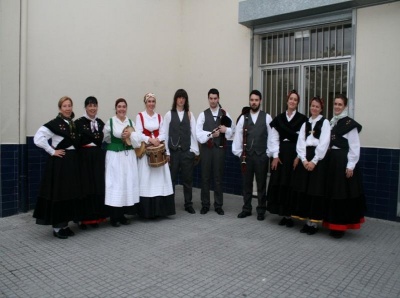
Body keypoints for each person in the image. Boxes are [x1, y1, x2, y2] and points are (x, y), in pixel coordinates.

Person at [33, 96, 83, 239]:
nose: (68, 108)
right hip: (60, 163)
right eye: (64, 106)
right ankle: (57, 227)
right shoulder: (55, 124)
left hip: (72, 163)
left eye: (69, 106)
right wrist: (52, 151)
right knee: (60, 194)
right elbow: (38, 138)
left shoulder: (72, 124)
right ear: (60, 108)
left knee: (69, 193)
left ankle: (65, 225)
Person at [323, 94, 365, 238]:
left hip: (343, 162)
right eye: (335, 104)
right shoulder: (331, 123)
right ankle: (331, 223)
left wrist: (350, 165)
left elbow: (355, 146)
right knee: (332, 193)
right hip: (332, 162)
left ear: (345, 107)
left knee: (341, 194)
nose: (337, 106)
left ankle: (339, 227)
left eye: (340, 104)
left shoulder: (349, 124)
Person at [266, 90, 307, 227]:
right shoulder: (279, 119)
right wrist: (275, 156)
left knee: (291, 183)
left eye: (295, 100)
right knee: (281, 182)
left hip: (294, 154)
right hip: (282, 154)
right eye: (291, 99)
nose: (292, 101)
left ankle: (291, 215)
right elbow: (274, 138)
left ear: (297, 103)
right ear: (287, 100)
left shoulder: (302, 120)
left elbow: (302, 140)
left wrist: (298, 157)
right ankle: (283, 214)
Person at [291, 96, 330, 235]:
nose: (314, 108)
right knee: (305, 189)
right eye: (312, 106)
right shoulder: (305, 123)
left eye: (317, 107)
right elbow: (300, 142)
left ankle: (314, 223)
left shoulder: (325, 123)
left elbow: (324, 143)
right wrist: (303, 159)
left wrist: (314, 161)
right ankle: (307, 221)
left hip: (317, 159)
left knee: (315, 190)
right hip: (305, 157)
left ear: (321, 109)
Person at [232, 90, 272, 221]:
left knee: (261, 185)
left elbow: (271, 137)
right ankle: (246, 208)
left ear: (260, 101)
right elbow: (237, 136)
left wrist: (268, 154)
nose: (254, 102)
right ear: (249, 101)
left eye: (256, 100)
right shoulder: (244, 118)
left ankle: (261, 209)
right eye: (252, 100)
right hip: (246, 157)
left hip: (261, 156)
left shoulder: (267, 117)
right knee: (246, 184)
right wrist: (239, 153)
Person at [135, 92, 175, 218]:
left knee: (160, 179)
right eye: (149, 101)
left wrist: (158, 140)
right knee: (147, 179)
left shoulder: (159, 117)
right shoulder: (140, 116)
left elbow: (164, 133)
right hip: (147, 151)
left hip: (158, 150)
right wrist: (150, 140)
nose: (151, 104)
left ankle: (160, 210)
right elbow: (138, 133)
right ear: (145, 103)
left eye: (153, 101)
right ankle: (147, 211)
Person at [196, 88, 235, 215]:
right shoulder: (203, 115)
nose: (213, 101)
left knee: (218, 178)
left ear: (218, 99)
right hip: (206, 150)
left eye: (215, 98)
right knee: (205, 177)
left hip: (219, 150)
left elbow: (232, 129)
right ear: (208, 99)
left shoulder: (224, 114)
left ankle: (218, 205)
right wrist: (212, 134)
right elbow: (198, 134)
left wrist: (225, 130)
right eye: (211, 98)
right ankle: (205, 204)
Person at [103, 98, 141, 227]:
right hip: (115, 156)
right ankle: (114, 216)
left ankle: (122, 214)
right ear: (115, 108)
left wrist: (129, 136)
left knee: (126, 183)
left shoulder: (130, 122)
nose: (121, 109)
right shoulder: (111, 122)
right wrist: (118, 141)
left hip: (128, 156)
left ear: (126, 108)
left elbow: (137, 140)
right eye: (119, 106)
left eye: (124, 106)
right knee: (115, 183)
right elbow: (106, 138)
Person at [163, 89, 199, 214]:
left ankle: (188, 204)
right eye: (179, 97)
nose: (181, 100)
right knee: (171, 180)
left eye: (183, 97)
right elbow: (165, 134)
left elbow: (193, 133)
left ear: (186, 100)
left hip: (186, 152)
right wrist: (167, 152)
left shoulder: (189, 114)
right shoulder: (168, 115)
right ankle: (169, 204)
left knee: (187, 180)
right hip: (173, 152)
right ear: (176, 99)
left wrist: (193, 151)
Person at [74, 96, 107, 229]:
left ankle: (96, 218)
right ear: (85, 107)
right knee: (86, 187)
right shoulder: (78, 123)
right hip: (84, 158)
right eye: (90, 105)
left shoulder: (100, 123)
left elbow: (106, 138)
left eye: (95, 105)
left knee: (97, 185)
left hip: (97, 157)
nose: (92, 108)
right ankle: (84, 219)